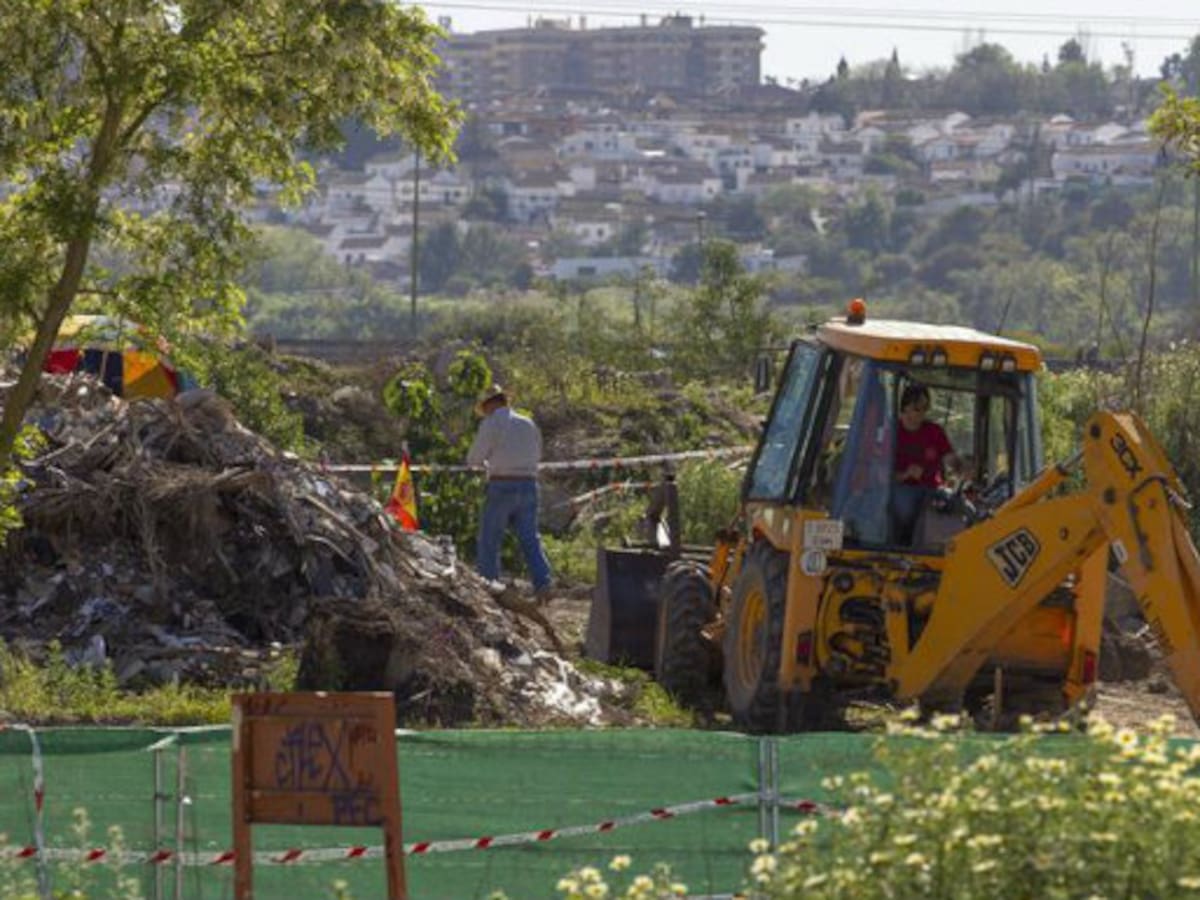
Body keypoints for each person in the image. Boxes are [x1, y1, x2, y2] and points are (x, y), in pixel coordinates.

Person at [467, 384, 554, 602]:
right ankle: (543, 583)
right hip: (529, 484)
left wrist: (486, 463)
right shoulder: (527, 423)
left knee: (490, 538)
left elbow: (474, 458)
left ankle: (489, 585)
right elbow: (537, 454)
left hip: (502, 484)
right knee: (530, 538)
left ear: (489, 405)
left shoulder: (491, 423)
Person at [891, 383, 961, 545]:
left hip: (931, 489)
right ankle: (902, 545)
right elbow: (881, 473)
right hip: (902, 487)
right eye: (917, 408)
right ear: (905, 407)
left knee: (956, 509)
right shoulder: (891, 432)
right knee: (905, 507)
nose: (922, 413)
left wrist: (959, 465)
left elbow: (949, 458)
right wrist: (905, 474)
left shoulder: (934, 431)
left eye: (925, 408)